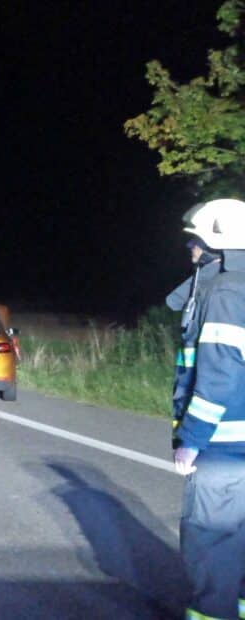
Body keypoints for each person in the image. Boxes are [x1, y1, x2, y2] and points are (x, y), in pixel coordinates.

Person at [174, 198, 245, 619]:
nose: (191, 252)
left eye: (194, 245)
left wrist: (192, 439)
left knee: (213, 540)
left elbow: (218, 374)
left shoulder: (226, 292)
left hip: (226, 443)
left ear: (215, 247)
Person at [167, 236, 222, 446]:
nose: (191, 248)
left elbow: (173, 301)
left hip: (196, 365)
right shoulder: (220, 276)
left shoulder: (212, 276)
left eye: (195, 245)